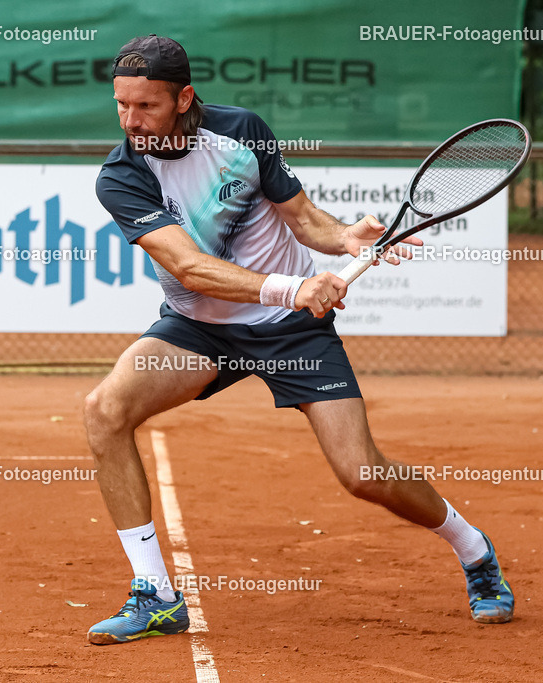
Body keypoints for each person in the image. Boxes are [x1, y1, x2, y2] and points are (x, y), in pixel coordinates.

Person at [85, 34, 513, 645]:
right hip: (199, 328)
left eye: (146, 106)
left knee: (363, 473)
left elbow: (304, 219)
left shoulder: (243, 134)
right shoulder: (123, 175)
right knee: (104, 411)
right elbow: (189, 269)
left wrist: (347, 241)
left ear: (184, 97)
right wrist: (293, 287)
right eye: (122, 106)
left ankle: (475, 553)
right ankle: (154, 595)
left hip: (292, 334)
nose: (132, 121)